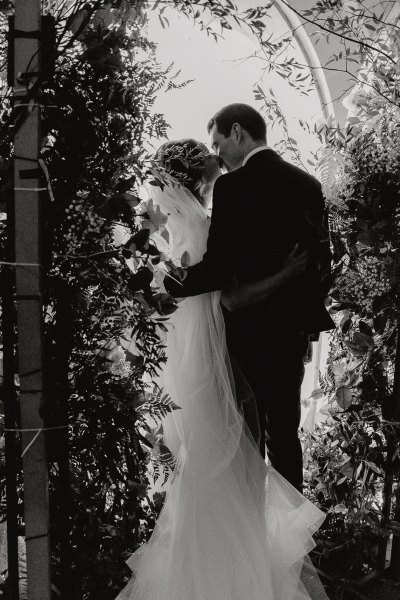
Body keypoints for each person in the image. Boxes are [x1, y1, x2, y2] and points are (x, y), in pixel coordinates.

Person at [117, 138, 329, 600]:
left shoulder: (155, 226)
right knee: (231, 459)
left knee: (197, 458)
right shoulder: (202, 224)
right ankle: (236, 566)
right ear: (202, 178)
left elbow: (162, 290)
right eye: (213, 174)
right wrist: (288, 273)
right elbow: (226, 292)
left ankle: (190, 567)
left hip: (179, 361)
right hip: (212, 357)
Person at [165, 105, 335, 492]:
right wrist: (307, 330)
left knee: (247, 442)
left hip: (245, 336)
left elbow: (220, 269)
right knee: (285, 439)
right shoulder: (308, 184)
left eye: (218, 142)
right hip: (290, 336)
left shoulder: (233, 188)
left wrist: (168, 284)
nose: (217, 156)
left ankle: (254, 536)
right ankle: (297, 544)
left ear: (237, 132)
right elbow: (319, 265)